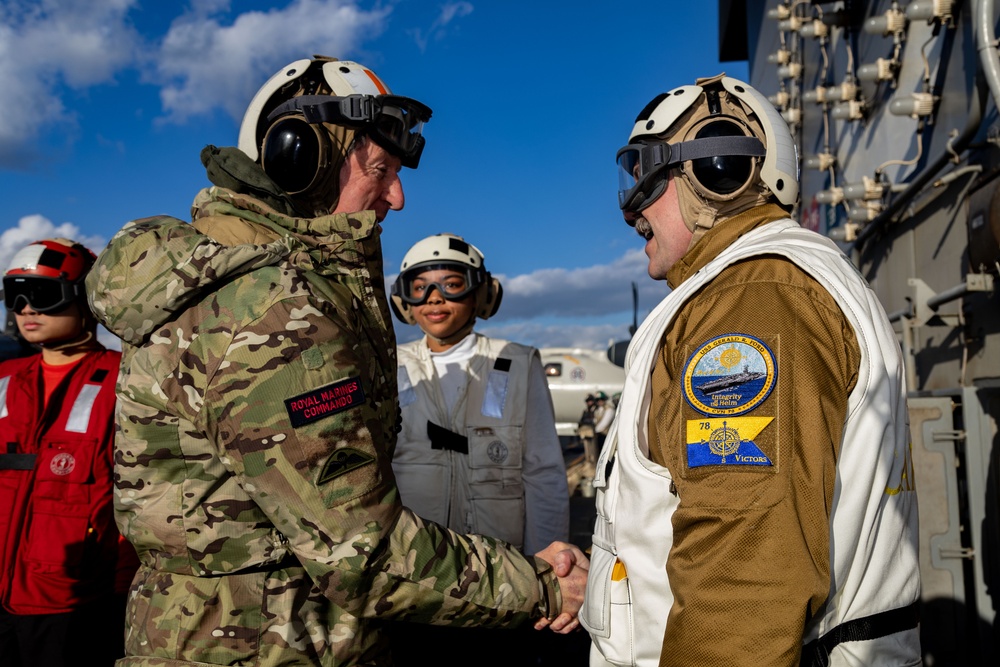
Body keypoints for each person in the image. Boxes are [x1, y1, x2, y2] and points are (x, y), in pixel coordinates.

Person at [85, 56, 587, 667]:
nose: (397, 197)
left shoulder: (223, 288)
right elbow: (362, 553)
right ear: (300, 158)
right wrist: (541, 586)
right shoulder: (270, 314)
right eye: (380, 170)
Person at [578, 74, 920, 667]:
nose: (632, 211)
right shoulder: (754, 288)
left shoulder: (755, 298)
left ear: (717, 167)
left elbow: (746, 570)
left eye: (644, 178)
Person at [386, 233, 572, 666]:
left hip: (501, 577)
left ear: (482, 292)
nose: (434, 298)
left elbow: (542, 470)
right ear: (404, 301)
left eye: (452, 284)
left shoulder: (517, 361)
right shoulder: (387, 363)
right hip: (414, 573)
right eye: (420, 287)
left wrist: (546, 570)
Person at [0, 239, 138, 667]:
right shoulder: (3, 380)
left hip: (76, 603)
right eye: (15, 294)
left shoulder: (125, 383)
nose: (26, 309)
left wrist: (123, 591)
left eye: (41, 295)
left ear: (85, 301)